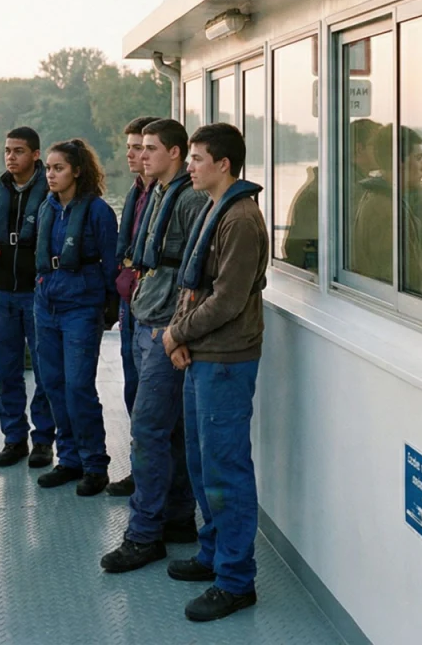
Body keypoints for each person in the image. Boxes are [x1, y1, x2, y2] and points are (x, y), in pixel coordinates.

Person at [160, 122, 268, 623]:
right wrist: (181, 334)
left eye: (198, 158)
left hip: (226, 359)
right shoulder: (211, 209)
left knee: (227, 469)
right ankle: (212, 552)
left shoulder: (242, 219)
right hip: (202, 354)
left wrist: (178, 334)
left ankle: (235, 580)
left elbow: (227, 298)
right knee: (203, 463)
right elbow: (193, 288)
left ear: (223, 164)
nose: (190, 166)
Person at [100, 119, 203, 574]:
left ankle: (144, 535)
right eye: (138, 148)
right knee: (170, 430)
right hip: (147, 320)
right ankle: (178, 517)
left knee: (147, 431)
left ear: (175, 153)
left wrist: (178, 331)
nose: (141, 156)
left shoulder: (189, 200)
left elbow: (199, 273)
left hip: (165, 328)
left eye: (150, 149)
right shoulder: (157, 193)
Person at [32, 139, 119, 497]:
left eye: (59, 168)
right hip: (46, 304)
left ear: (77, 171)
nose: (51, 175)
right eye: (48, 169)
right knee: (52, 383)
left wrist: (110, 308)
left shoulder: (98, 212)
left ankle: (95, 463)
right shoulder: (47, 206)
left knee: (78, 386)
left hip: (81, 305)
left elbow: (112, 263)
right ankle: (68, 459)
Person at [0, 126, 57, 469]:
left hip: (36, 293)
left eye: (18, 151)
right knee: (7, 371)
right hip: (2, 294)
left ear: (35, 155)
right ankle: (13, 438)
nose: (10, 157)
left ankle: (43, 440)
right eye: (7, 150)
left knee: (44, 371)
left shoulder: (50, 193)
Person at [109, 115, 159, 497]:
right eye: (129, 146)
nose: (132, 154)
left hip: (151, 308)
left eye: (140, 147)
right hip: (130, 304)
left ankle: (152, 482)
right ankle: (140, 471)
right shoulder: (137, 192)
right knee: (132, 389)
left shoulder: (164, 195)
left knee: (150, 401)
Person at [352, 125, 422, 297]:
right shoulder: (386, 210)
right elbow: (394, 281)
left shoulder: (379, 199)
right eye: (418, 158)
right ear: (399, 163)